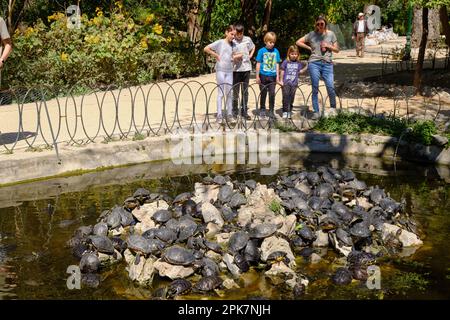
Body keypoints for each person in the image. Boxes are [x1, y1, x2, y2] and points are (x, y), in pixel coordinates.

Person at [296, 16, 339, 119]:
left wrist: (328, 46)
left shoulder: (331, 34)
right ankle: (316, 111)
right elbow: (298, 42)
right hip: (314, 63)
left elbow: (337, 50)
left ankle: (333, 108)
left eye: (322, 24)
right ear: (315, 25)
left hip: (327, 63)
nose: (320, 26)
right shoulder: (311, 34)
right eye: (318, 24)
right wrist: (309, 47)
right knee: (315, 88)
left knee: (330, 87)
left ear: (325, 24)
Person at [204, 25, 236, 124]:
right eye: (231, 34)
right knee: (221, 93)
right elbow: (206, 48)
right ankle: (219, 115)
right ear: (226, 32)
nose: (233, 37)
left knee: (229, 92)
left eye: (234, 35)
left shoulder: (233, 44)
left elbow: (235, 54)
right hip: (221, 70)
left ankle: (229, 114)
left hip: (229, 71)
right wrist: (216, 55)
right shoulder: (220, 42)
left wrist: (234, 58)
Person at [232, 23, 255, 120]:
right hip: (236, 69)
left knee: (245, 91)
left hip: (246, 68)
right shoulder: (232, 41)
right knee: (235, 91)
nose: (239, 35)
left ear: (243, 32)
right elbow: (229, 54)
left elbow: (253, 47)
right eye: (237, 33)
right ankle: (234, 110)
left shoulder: (247, 39)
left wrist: (250, 55)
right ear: (235, 32)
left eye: (241, 33)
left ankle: (244, 110)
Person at [255, 31, 281, 119]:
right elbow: (258, 63)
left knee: (272, 93)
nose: (272, 44)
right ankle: (262, 109)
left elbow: (277, 64)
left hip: (273, 76)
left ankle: (271, 111)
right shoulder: (261, 51)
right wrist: (257, 76)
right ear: (265, 41)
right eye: (270, 42)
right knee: (263, 92)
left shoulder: (276, 51)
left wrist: (277, 77)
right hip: (263, 75)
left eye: (273, 42)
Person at [279, 46, 307, 119]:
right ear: (289, 54)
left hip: (294, 83)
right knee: (285, 97)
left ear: (298, 55)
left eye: (295, 54)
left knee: (291, 97)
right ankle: (285, 111)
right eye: (292, 54)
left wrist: (307, 66)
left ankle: (289, 110)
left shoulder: (298, 63)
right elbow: (282, 71)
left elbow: (300, 71)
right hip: (286, 83)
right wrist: (281, 80)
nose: (294, 55)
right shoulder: (286, 62)